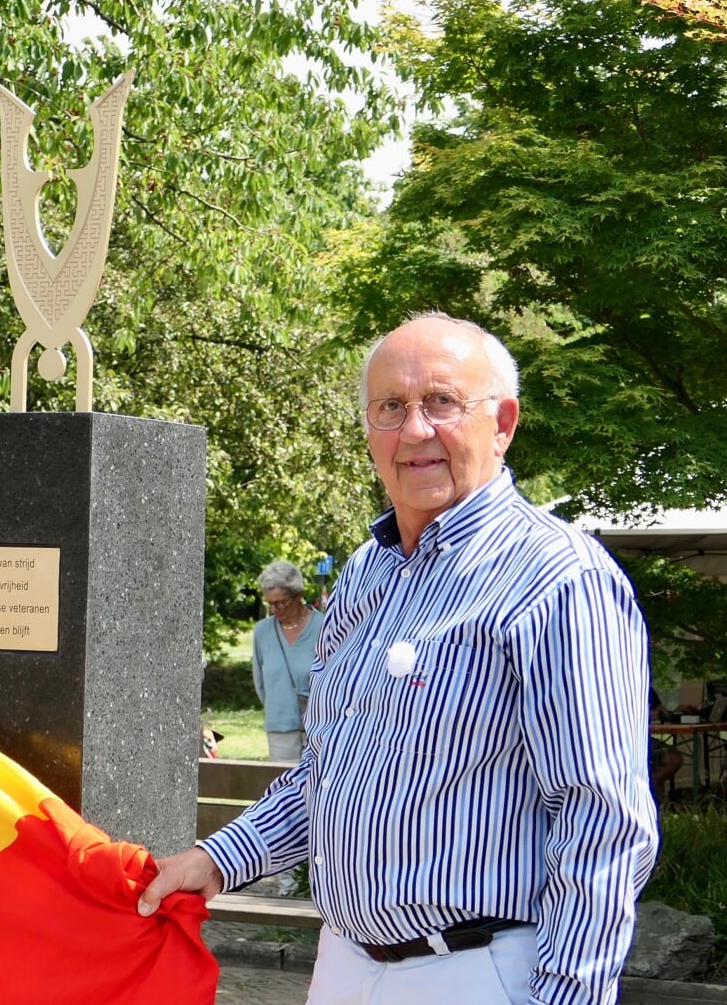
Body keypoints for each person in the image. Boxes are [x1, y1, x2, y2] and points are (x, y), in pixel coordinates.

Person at [139, 312, 658, 1005]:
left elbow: (601, 820)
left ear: (501, 422)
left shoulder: (558, 578)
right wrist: (216, 857)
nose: (414, 430)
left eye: (441, 402)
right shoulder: (365, 574)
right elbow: (328, 769)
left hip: (479, 971)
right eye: (390, 406)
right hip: (343, 962)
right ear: (367, 428)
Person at [251, 560, 324, 763]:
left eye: (280, 602)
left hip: (320, 730)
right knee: (284, 791)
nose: (275, 609)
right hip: (279, 730)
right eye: (270, 603)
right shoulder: (262, 632)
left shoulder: (324, 628)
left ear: (298, 595)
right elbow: (260, 683)